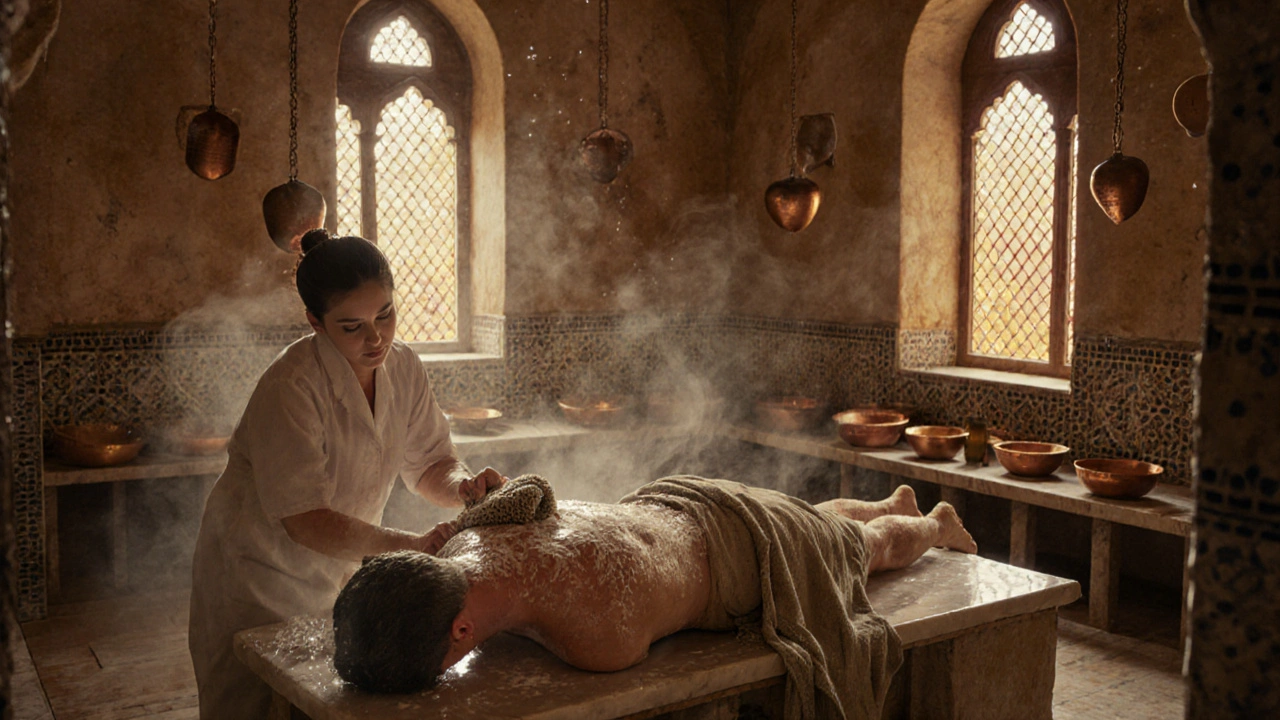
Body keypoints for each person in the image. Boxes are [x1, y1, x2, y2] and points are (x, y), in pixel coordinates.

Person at [188, 229, 507, 719]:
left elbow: (431, 464)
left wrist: (463, 488)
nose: (376, 338)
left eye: (385, 315)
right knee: (251, 707)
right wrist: (410, 545)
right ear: (315, 321)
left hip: (337, 568)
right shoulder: (292, 386)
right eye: (352, 326)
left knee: (319, 704)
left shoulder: (403, 369)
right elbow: (304, 519)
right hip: (257, 578)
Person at [334, 479, 977, 720]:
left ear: (461, 631)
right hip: (680, 496)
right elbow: (533, 490)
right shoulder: (460, 547)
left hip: (745, 557)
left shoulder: (597, 638)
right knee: (811, 521)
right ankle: (893, 500)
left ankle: (932, 522)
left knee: (862, 550)